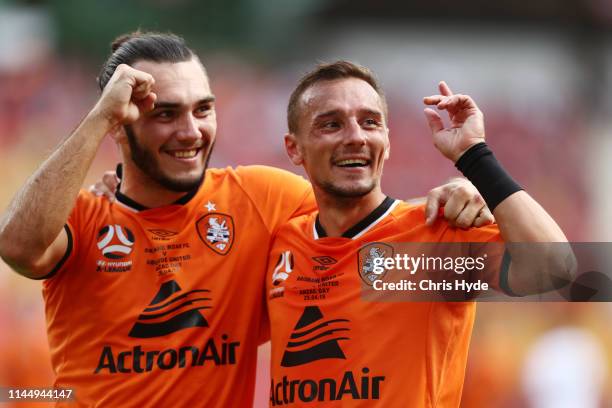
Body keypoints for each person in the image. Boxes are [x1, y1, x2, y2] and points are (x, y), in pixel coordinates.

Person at [0, 32, 491, 407]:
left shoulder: (264, 198)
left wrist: (464, 188)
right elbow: (17, 247)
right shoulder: (83, 216)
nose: (190, 131)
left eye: (203, 109)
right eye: (165, 114)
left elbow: (361, 216)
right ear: (120, 126)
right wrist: (97, 120)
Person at [265, 61, 572, 406]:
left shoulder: (434, 237)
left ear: (387, 140)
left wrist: (475, 158)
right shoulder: (280, 242)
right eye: (331, 124)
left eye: (370, 122)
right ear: (294, 148)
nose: (356, 137)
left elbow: (555, 268)